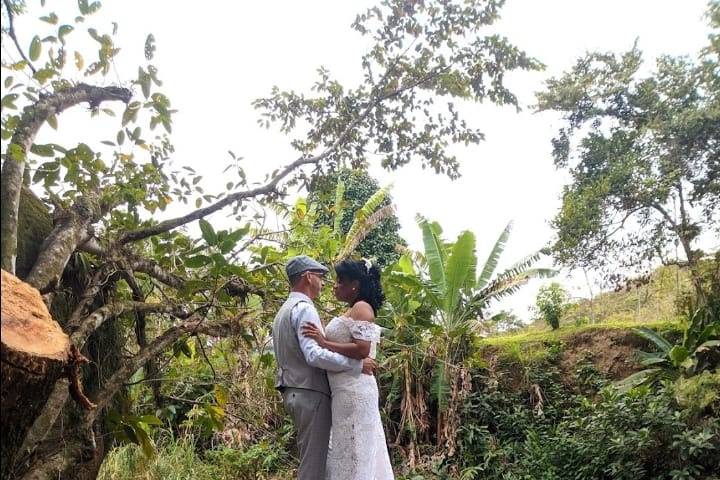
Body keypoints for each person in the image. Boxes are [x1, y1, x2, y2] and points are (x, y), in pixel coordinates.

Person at [272, 255, 377, 480]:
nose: (325, 283)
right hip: (310, 393)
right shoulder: (304, 308)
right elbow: (314, 354)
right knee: (314, 465)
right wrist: (356, 365)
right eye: (321, 277)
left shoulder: (284, 310)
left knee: (322, 458)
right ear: (308, 277)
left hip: (293, 390)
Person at [302, 258, 394, 479]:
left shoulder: (362, 308)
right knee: (347, 446)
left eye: (340, 281)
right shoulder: (353, 310)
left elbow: (362, 350)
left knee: (355, 447)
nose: (335, 285)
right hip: (344, 389)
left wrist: (324, 343)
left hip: (354, 390)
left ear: (355, 285)